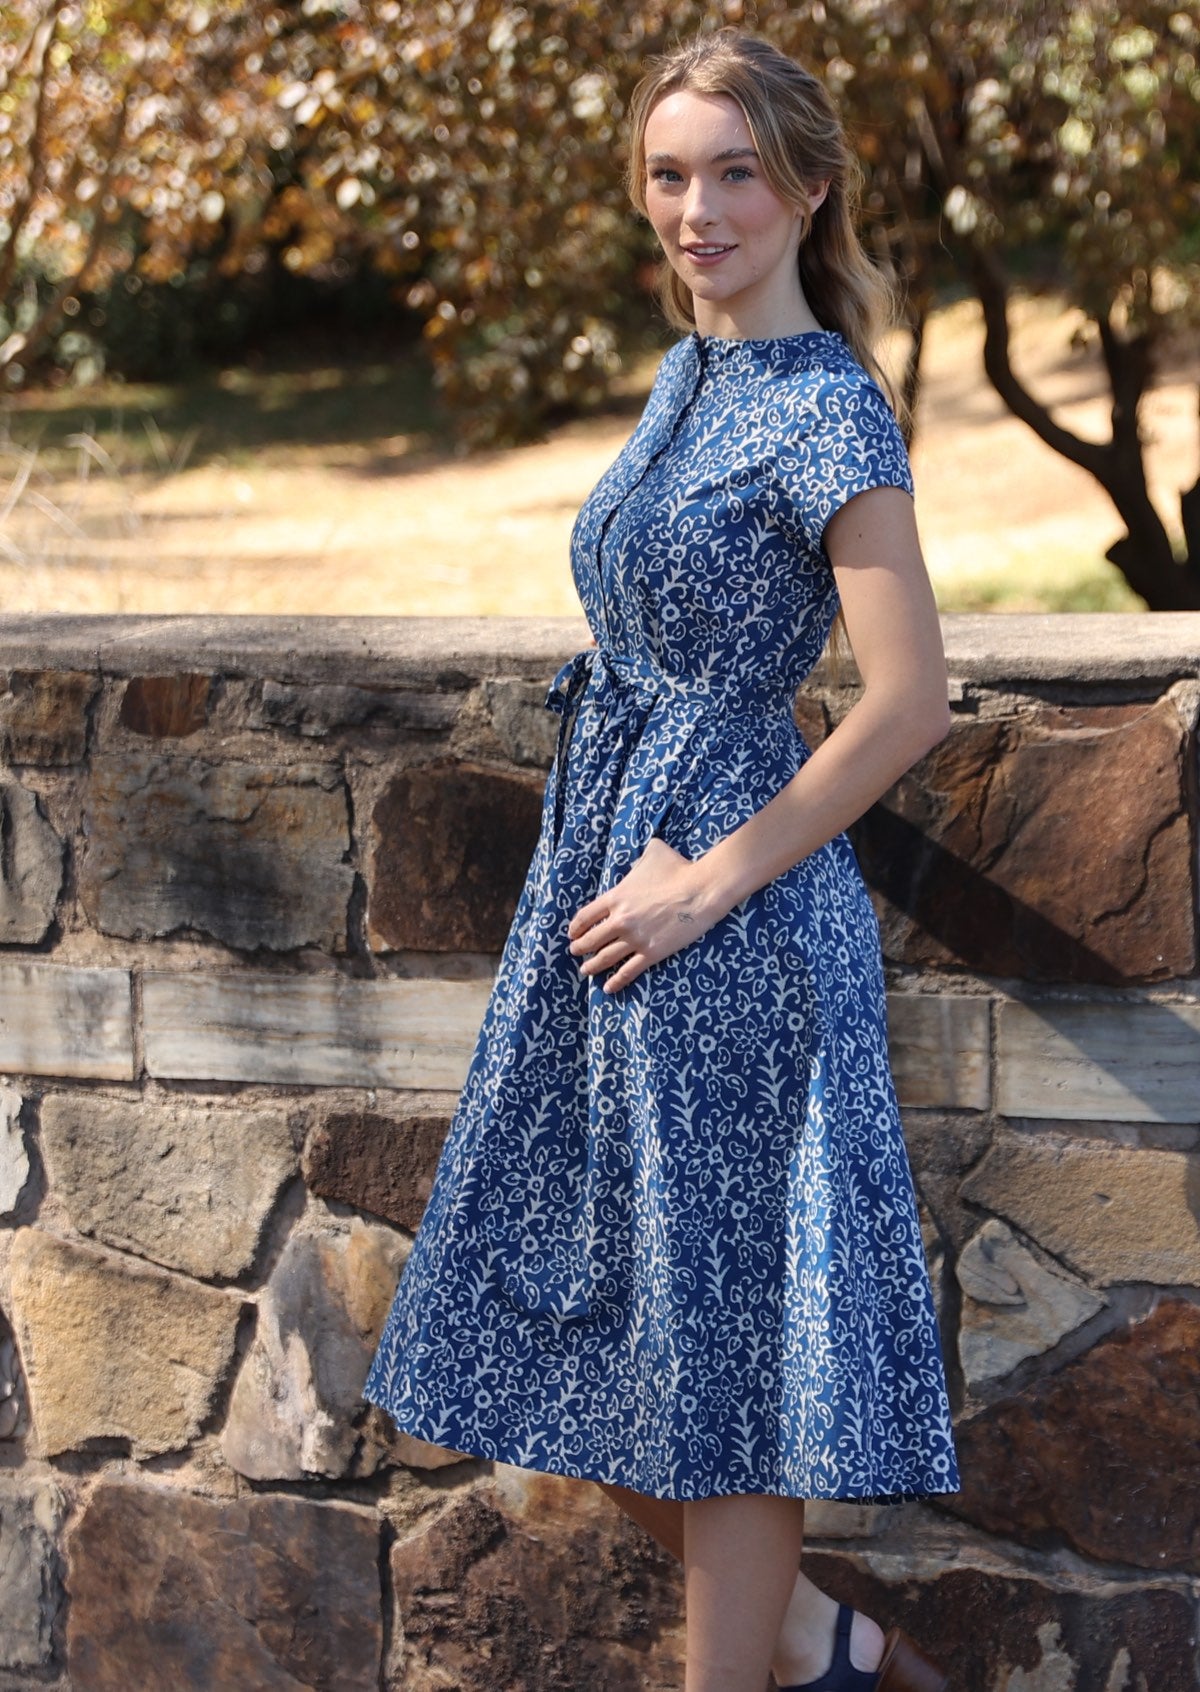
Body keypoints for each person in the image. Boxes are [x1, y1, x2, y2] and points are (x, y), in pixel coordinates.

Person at [363, 26, 959, 1692]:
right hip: (608, 902)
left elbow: (910, 698)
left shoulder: (830, 409)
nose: (700, 211)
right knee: (542, 1321)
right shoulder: (689, 375)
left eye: (736, 174)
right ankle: (823, 1645)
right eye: (670, 175)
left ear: (809, 188)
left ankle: (782, 1658)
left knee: (718, 1352)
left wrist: (711, 880)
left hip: (729, 924)